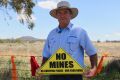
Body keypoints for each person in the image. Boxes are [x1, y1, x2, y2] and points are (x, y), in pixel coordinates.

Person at [41, 1, 98, 80]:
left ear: (70, 15)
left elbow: (92, 52)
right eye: (59, 13)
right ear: (56, 16)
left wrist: (94, 68)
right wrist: (42, 70)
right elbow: (46, 55)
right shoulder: (51, 34)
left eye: (65, 12)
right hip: (54, 75)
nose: (62, 15)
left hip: (74, 75)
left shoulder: (79, 31)